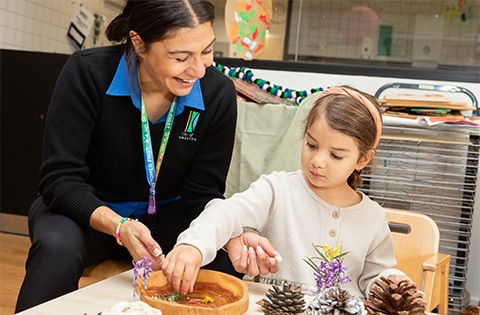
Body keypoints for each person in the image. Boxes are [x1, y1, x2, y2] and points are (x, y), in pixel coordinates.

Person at [15, 0, 240, 312]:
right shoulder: (88, 73)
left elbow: (202, 194)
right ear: (139, 43)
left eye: (206, 51)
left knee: (225, 259)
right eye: (180, 57)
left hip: (167, 219)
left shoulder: (217, 94)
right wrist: (119, 225)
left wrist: (230, 234)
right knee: (57, 248)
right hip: (88, 214)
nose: (198, 69)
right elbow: (60, 180)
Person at [161, 86, 409, 298]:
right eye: (311, 145)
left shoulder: (373, 216)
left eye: (336, 155)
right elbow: (224, 213)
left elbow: (375, 275)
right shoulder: (278, 190)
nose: (318, 161)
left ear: (363, 159)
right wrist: (192, 246)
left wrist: (393, 285)